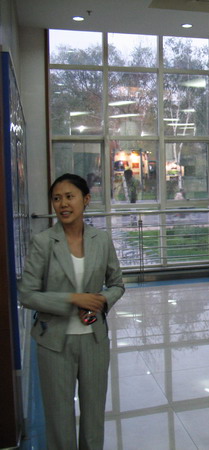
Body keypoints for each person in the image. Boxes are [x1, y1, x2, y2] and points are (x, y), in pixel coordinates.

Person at [19, 173, 125, 450]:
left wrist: (101, 300)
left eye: (69, 197)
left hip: (94, 341)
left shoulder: (101, 240)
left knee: (94, 415)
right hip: (54, 342)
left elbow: (117, 284)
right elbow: (27, 294)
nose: (63, 204)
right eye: (57, 198)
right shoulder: (43, 242)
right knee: (59, 417)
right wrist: (73, 299)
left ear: (85, 199)